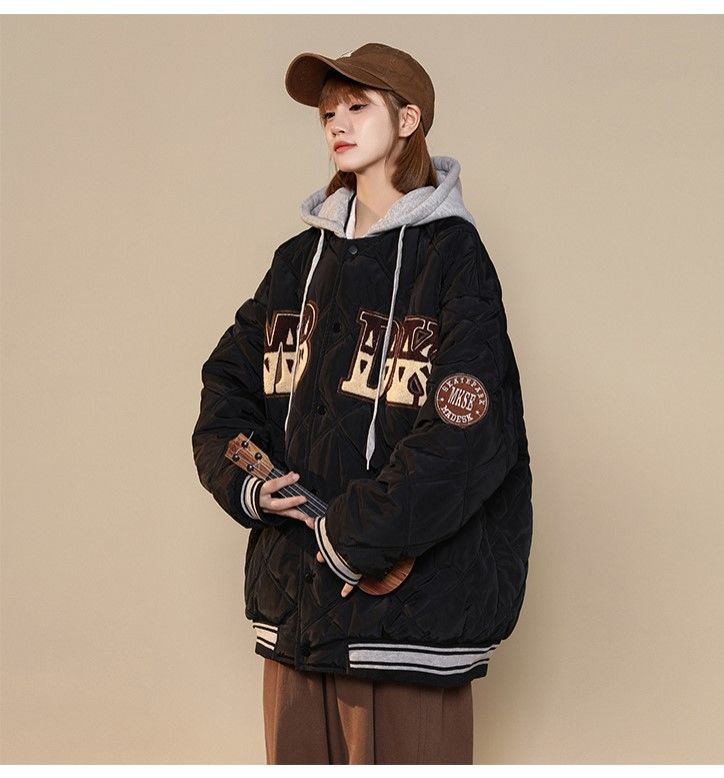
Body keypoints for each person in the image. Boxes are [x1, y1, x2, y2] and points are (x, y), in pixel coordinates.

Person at [191, 42, 533, 765]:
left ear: (408, 119)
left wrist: (354, 537)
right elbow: (227, 386)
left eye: (357, 106)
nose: (337, 124)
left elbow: (470, 429)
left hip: (409, 620)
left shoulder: (454, 259)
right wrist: (250, 483)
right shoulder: (296, 263)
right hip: (294, 611)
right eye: (327, 114)